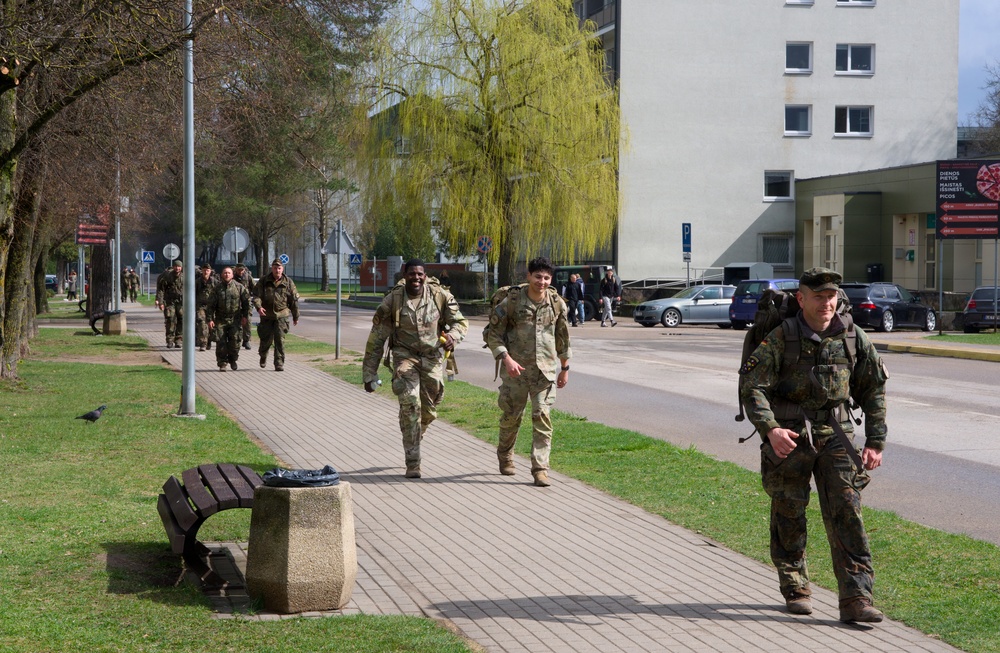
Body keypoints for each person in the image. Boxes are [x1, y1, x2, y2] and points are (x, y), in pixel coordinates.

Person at [739, 267, 889, 624]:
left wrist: (876, 441)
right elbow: (753, 386)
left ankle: (856, 598)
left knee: (848, 513)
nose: (826, 303)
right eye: (819, 296)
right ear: (801, 299)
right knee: (789, 511)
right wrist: (770, 429)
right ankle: (795, 586)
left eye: (831, 296)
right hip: (789, 437)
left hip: (837, 436)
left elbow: (873, 388)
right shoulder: (782, 336)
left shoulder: (853, 336)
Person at [362, 259, 468, 478]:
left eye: (420, 274)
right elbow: (376, 339)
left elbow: (460, 322)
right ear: (405, 274)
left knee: (429, 412)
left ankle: (414, 434)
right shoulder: (393, 300)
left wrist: (453, 337)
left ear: (425, 276)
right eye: (412, 274)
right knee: (411, 403)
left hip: (432, 358)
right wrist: (369, 374)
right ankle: (413, 462)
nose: (416, 278)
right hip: (405, 357)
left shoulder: (439, 296)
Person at [486, 256, 571, 487]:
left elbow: (562, 338)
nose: (541, 282)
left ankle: (540, 469)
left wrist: (565, 368)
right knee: (511, 418)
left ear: (550, 279)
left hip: (544, 373)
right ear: (528, 276)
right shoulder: (512, 302)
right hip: (516, 373)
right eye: (537, 277)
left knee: (542, 417)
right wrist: (506, 359)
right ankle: (505, 455)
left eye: (546, 278)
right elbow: (492, 334)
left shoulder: (556, 303)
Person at [252, 259, 299, 371]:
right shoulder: (264, 281)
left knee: (280, 340)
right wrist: (259, 307)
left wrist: (295, 316)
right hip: (267, 315)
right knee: (265, 340)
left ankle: (279, 363)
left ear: (282, 269)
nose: (277, 270)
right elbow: (256, 296)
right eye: (275, 268)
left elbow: (293, 300)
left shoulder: (288, 282)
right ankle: (263, 355)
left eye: (279, 268)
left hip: (282, 315)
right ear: (271, 268)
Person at [208, 267, 251, 372]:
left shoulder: (239, 287)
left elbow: (246, 303)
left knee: (235, 343)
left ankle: (233, 359)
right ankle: (222, 363)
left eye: (229, 273)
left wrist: (245, 316)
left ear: (232, 275)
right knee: (221, 343)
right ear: (222, 275)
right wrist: (210, 319)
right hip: (220, 320)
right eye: (225, 273)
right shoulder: (216, 289)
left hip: (235, 319)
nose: (227, 275)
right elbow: (210, 306)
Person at [155, 260, 184, 348]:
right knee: (170, 320)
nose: (177, 268)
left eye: (179, 267)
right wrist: (160, 302)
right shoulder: (167, 276)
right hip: (169, 302)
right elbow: (161, 290)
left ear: (181, 268)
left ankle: (178, 339)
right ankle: (170, 340)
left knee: (181, 320)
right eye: (176, 266)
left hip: (181, 302)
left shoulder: (184, 277)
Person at [195, 263, 218, 351]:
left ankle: (209, 340)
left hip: (212, 307)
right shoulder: (197, 282)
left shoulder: (214, 282)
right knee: (202, 323)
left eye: (207, 270)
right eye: (204, 270)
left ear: (210, 271)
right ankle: (203, 343)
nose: (205, 272)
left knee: (212, 324)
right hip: (201, 306)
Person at [233, 264, 255, 350]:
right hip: (235, 302)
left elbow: (255, 288)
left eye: (242, 270)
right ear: (236, 270)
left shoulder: (248, 277)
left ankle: (246, 340)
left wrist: (253, 298)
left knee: (247, 321)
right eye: (239, 270)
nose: (240, 272)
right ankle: (235, 339)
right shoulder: (232, 277)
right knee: (235, 322)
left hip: (246, 302)